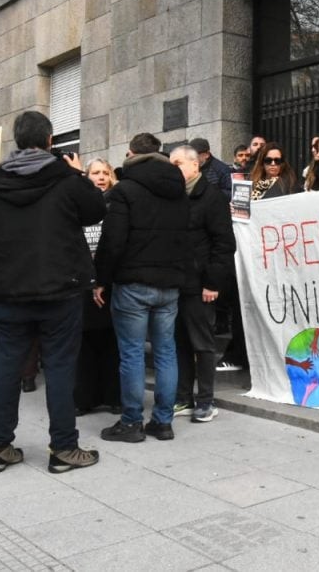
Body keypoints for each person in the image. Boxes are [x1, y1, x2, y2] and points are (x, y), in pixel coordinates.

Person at [0, 110, 106, 474]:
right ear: (50, 141)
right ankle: (64, 449)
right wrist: (78, 173)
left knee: (6, 366)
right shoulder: (66, 179)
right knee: (61, 368)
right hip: (59, 290)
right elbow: (96, 210)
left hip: (8, 290)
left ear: (17, 140)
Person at [95, 133, 190, 443]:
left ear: (131, 154)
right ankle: (163, 422)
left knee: (133, 354)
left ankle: (132, 422)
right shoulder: (178, 189)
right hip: (169, 283)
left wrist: (101, 279)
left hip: (133, 283)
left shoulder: (125, 190)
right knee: (166, 352)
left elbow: (113, 240)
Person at [169, 146, 236, 423]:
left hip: (200, 284)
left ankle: (205, 401)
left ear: (195, 165)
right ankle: (184, 398)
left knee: (203, 344)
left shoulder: (211, 197)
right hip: (177, 283)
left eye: (178, 163)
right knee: (181, 343)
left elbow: (224, 244)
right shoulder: (173, 197)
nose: (173, 168)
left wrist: (212, 283)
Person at [74, 158, 120, 415]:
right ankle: (85, 398)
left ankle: (114, 396)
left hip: (109, 281)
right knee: (84, 342)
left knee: (111, 341)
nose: (101, 177)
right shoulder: (77, 204)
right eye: (95, 173)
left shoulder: (118, 203)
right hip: (82, 281)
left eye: (105, 172)